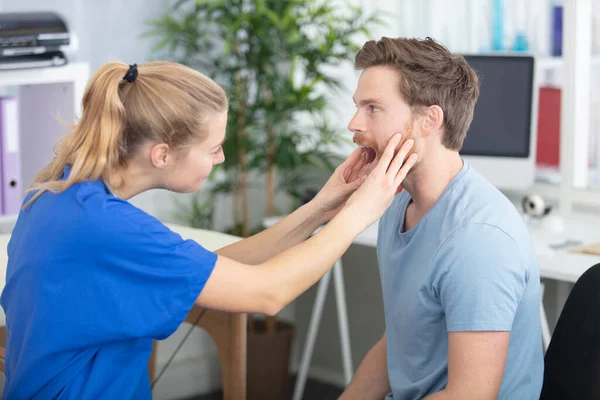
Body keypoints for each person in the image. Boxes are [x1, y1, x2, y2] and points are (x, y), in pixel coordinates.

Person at [0, 61, 417, 399]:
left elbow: (214, 270)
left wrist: (321, 208)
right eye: (213, 148)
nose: (219, 159)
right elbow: (265, 293)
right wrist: (358, 215)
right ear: (162, 154)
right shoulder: (109, 228)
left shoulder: (61, 193)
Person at [339, 37, 544, 400]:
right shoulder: (399, 204)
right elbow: (398, 345)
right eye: (358, 107)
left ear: (429, 120)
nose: (354, 124)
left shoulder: (479, 240)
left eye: (373, 108)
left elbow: (469, 396)